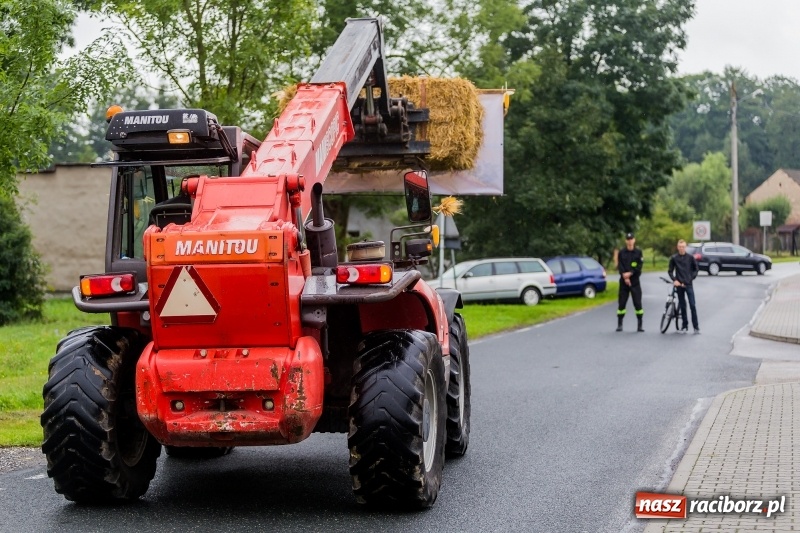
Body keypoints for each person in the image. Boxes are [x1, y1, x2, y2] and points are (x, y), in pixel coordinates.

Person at [668, 239, 700, 334]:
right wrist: (675, 280)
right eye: (680, 247)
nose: (681, 248)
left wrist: (691, 278)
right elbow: (670, 271)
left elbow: (696, 269)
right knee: (682, 305)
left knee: (692, 305)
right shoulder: (674, 258)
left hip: (688, 284)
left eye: (683, 247)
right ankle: (684, 325)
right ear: (677, 247)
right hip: (679, 284)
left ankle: (696, 326)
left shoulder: (690, 258)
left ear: (685, 247)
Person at [617, 232, 644, 332]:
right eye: (628, 239)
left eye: (631, 239)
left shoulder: (638, 252)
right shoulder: (622, 252)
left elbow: (639, 267)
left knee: (638, 304)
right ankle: (620, 324)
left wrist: (631, 273)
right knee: (621, 304)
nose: (629, 241)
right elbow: (620, 266)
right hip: (624, 281)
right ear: (626, 241)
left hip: (635, 281)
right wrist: (625, 275)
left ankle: (640, 325)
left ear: (634, 240)